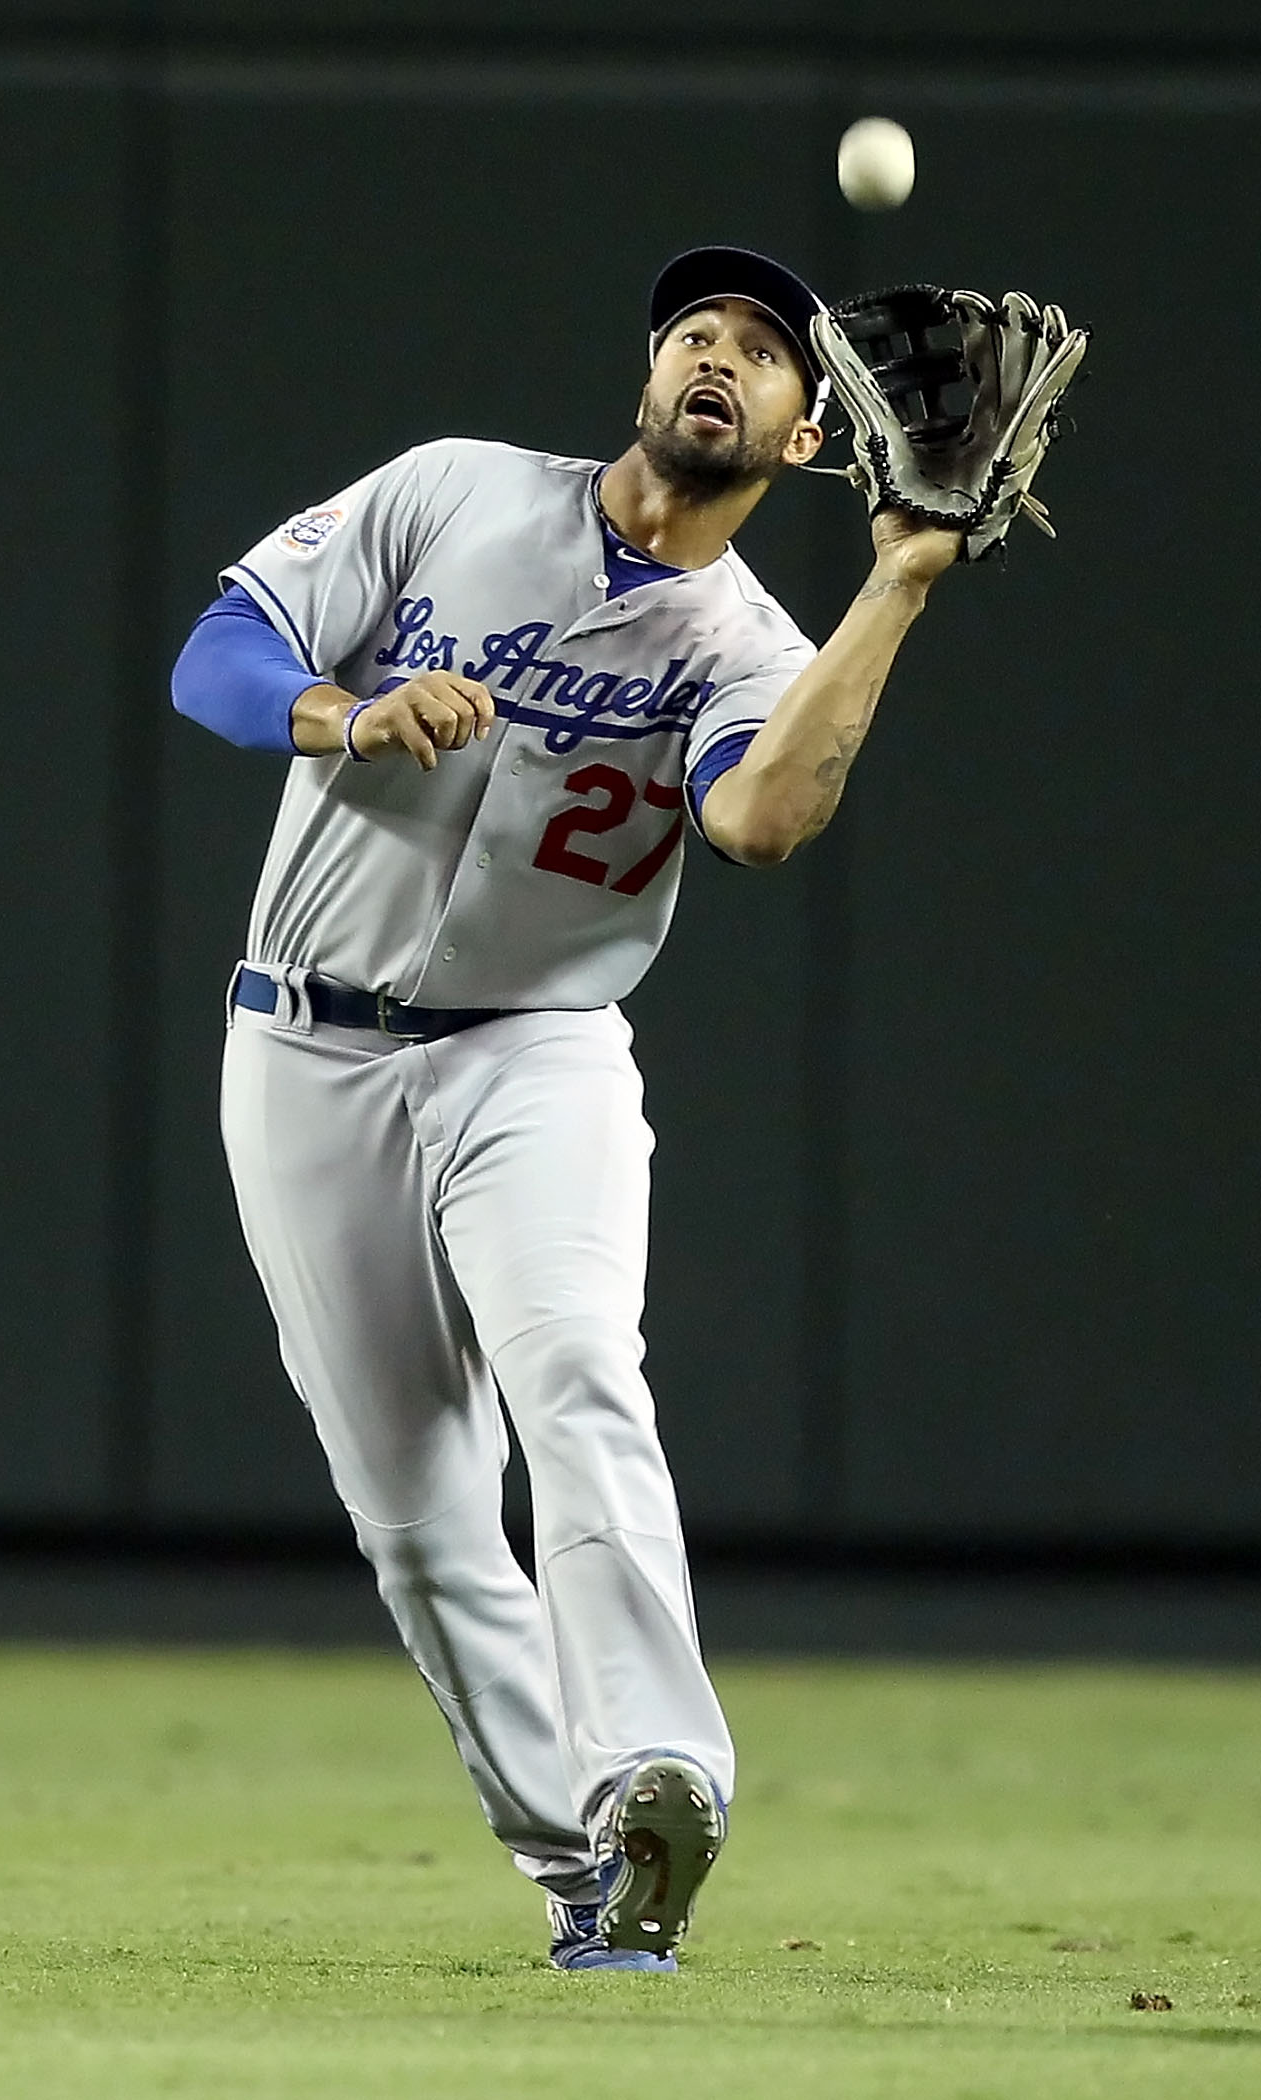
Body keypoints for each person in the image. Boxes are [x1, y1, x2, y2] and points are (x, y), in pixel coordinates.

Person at [170, 246, 964, 1972]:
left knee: (580, 1372)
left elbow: (760, 820)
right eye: (696, 329)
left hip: (536, 1048)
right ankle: (580, 1872)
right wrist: (349, 708)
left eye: (761, 352)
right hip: (302, 1050)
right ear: (645, 367)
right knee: (419, 1515)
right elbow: (217, 652)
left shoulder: (754, 638)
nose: (717, 355)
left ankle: (656, 1768)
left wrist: (896, 587)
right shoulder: (453, 493)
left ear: (810, 437)